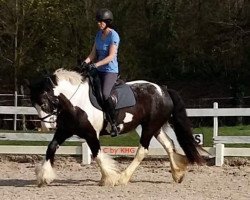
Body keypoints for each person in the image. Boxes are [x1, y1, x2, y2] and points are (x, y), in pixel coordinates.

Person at [82, 8, 120, 137]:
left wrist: (95, 64)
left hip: (110, 71)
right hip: (98, 70)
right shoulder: (98, 34)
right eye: (98, 21)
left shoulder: (113, 35)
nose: (99, 24)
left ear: (107, 22)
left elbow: (110, 57)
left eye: (101, 21)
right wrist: (85, 62)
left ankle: (114, 123)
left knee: (105, 94)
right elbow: (93, 53)